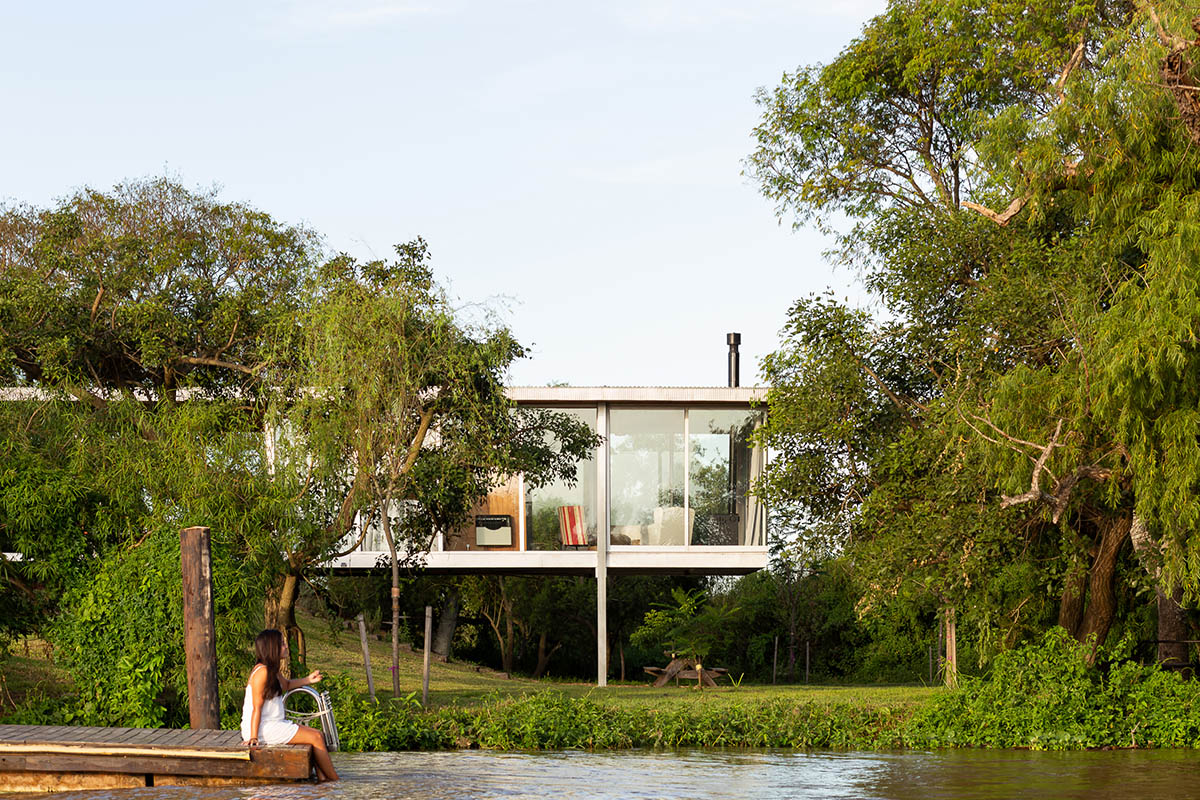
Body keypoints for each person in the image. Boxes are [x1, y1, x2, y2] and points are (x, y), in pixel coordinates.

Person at [240, 629, 339, 783]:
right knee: (316, 737)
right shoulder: (262, 672)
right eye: (282, 644)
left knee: (318, 735)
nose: (286, 646)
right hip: (261, 728)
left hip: (274, 724)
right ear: (272, 647)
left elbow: (286, 685)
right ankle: (336, 782)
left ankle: (323, 781)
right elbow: (256, 707)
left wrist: (308, 680)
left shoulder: (272, 669)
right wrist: (253, 737)